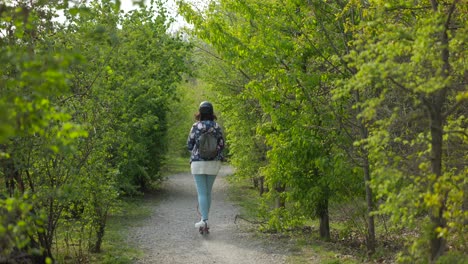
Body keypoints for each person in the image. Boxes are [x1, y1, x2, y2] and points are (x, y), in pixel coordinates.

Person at [187, 101, 225, 230]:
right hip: (214, 163)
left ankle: (204, 220)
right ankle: (205, 220)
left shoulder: (196, 126)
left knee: (202, 193)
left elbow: (189, 145)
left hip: (198, 163)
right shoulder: (217, 127)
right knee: (208, 193)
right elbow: (222, 145)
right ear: (212, 112)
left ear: (200, 112)